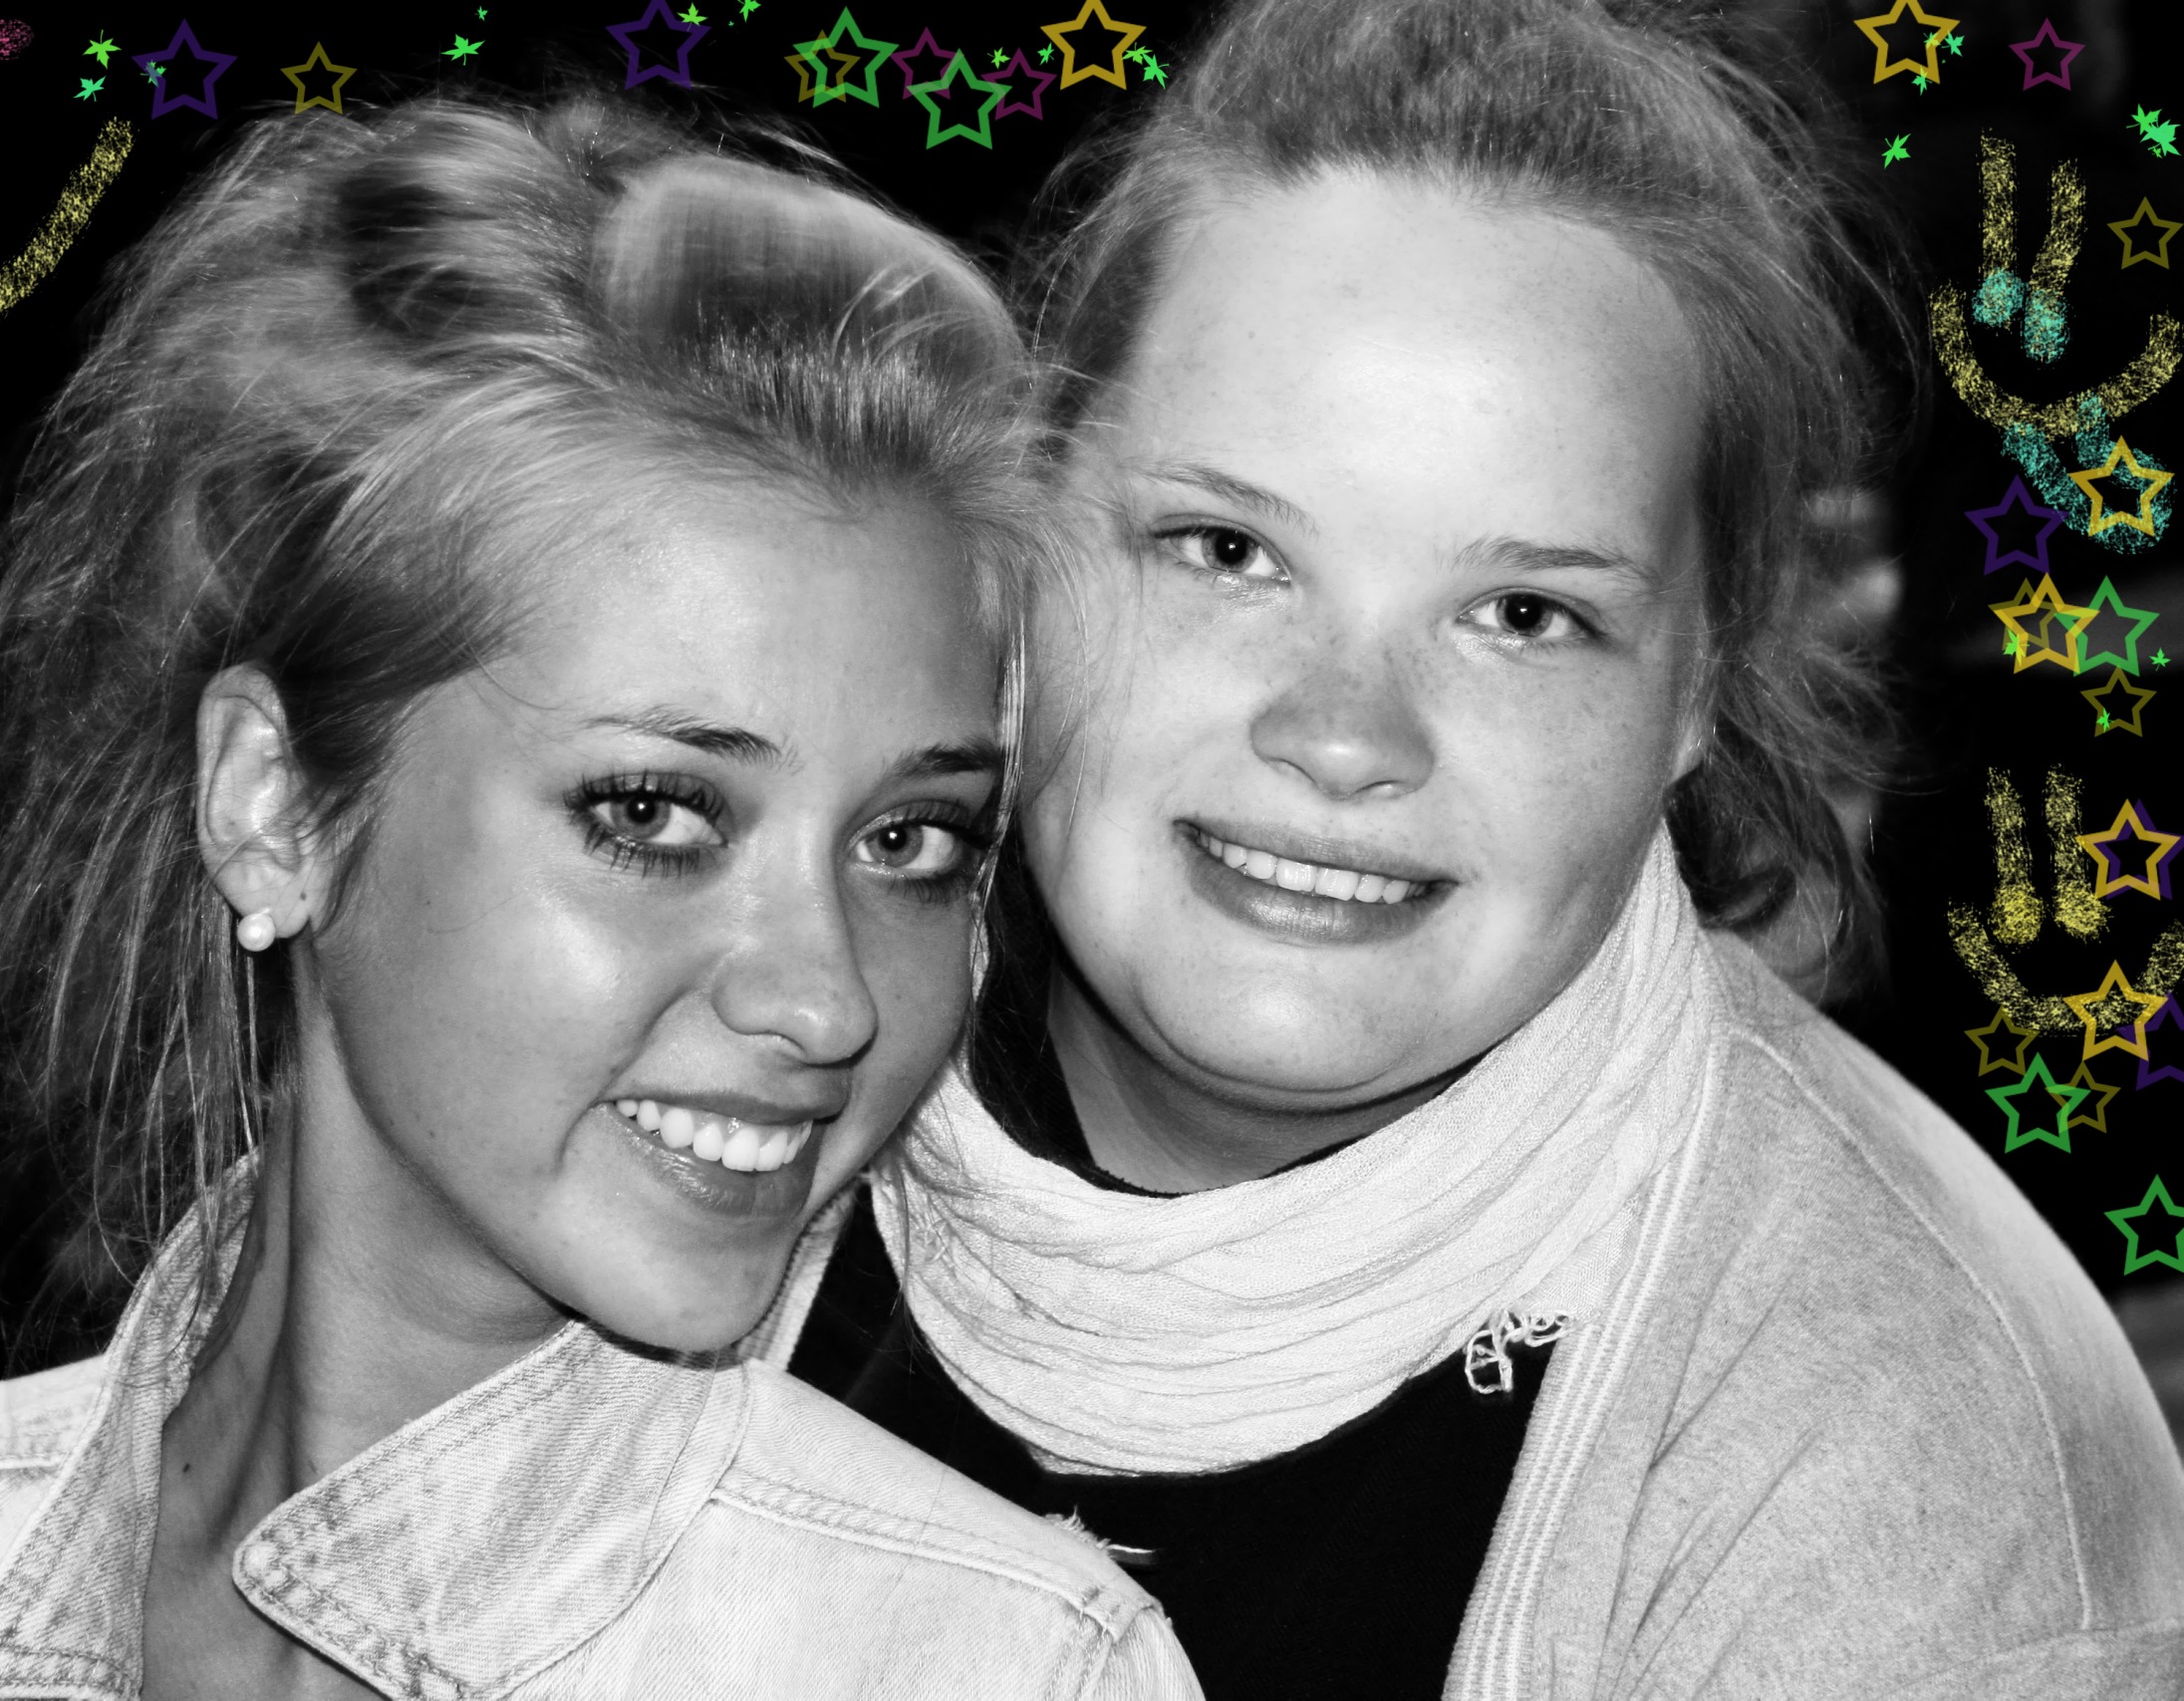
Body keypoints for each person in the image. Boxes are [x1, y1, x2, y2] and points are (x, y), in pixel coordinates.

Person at [0, 96, 1198, 1701]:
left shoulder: (999, 1664)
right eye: (654, 813)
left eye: (912, 841)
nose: (828, 998)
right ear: (274, 803)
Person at [771, 1, 2184, 1695]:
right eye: (1225, 550)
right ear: (1022, 526)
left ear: (1701, 685)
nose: (1343, 733)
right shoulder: (689, 1051)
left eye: (1521, 614)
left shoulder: (1919, 1488)